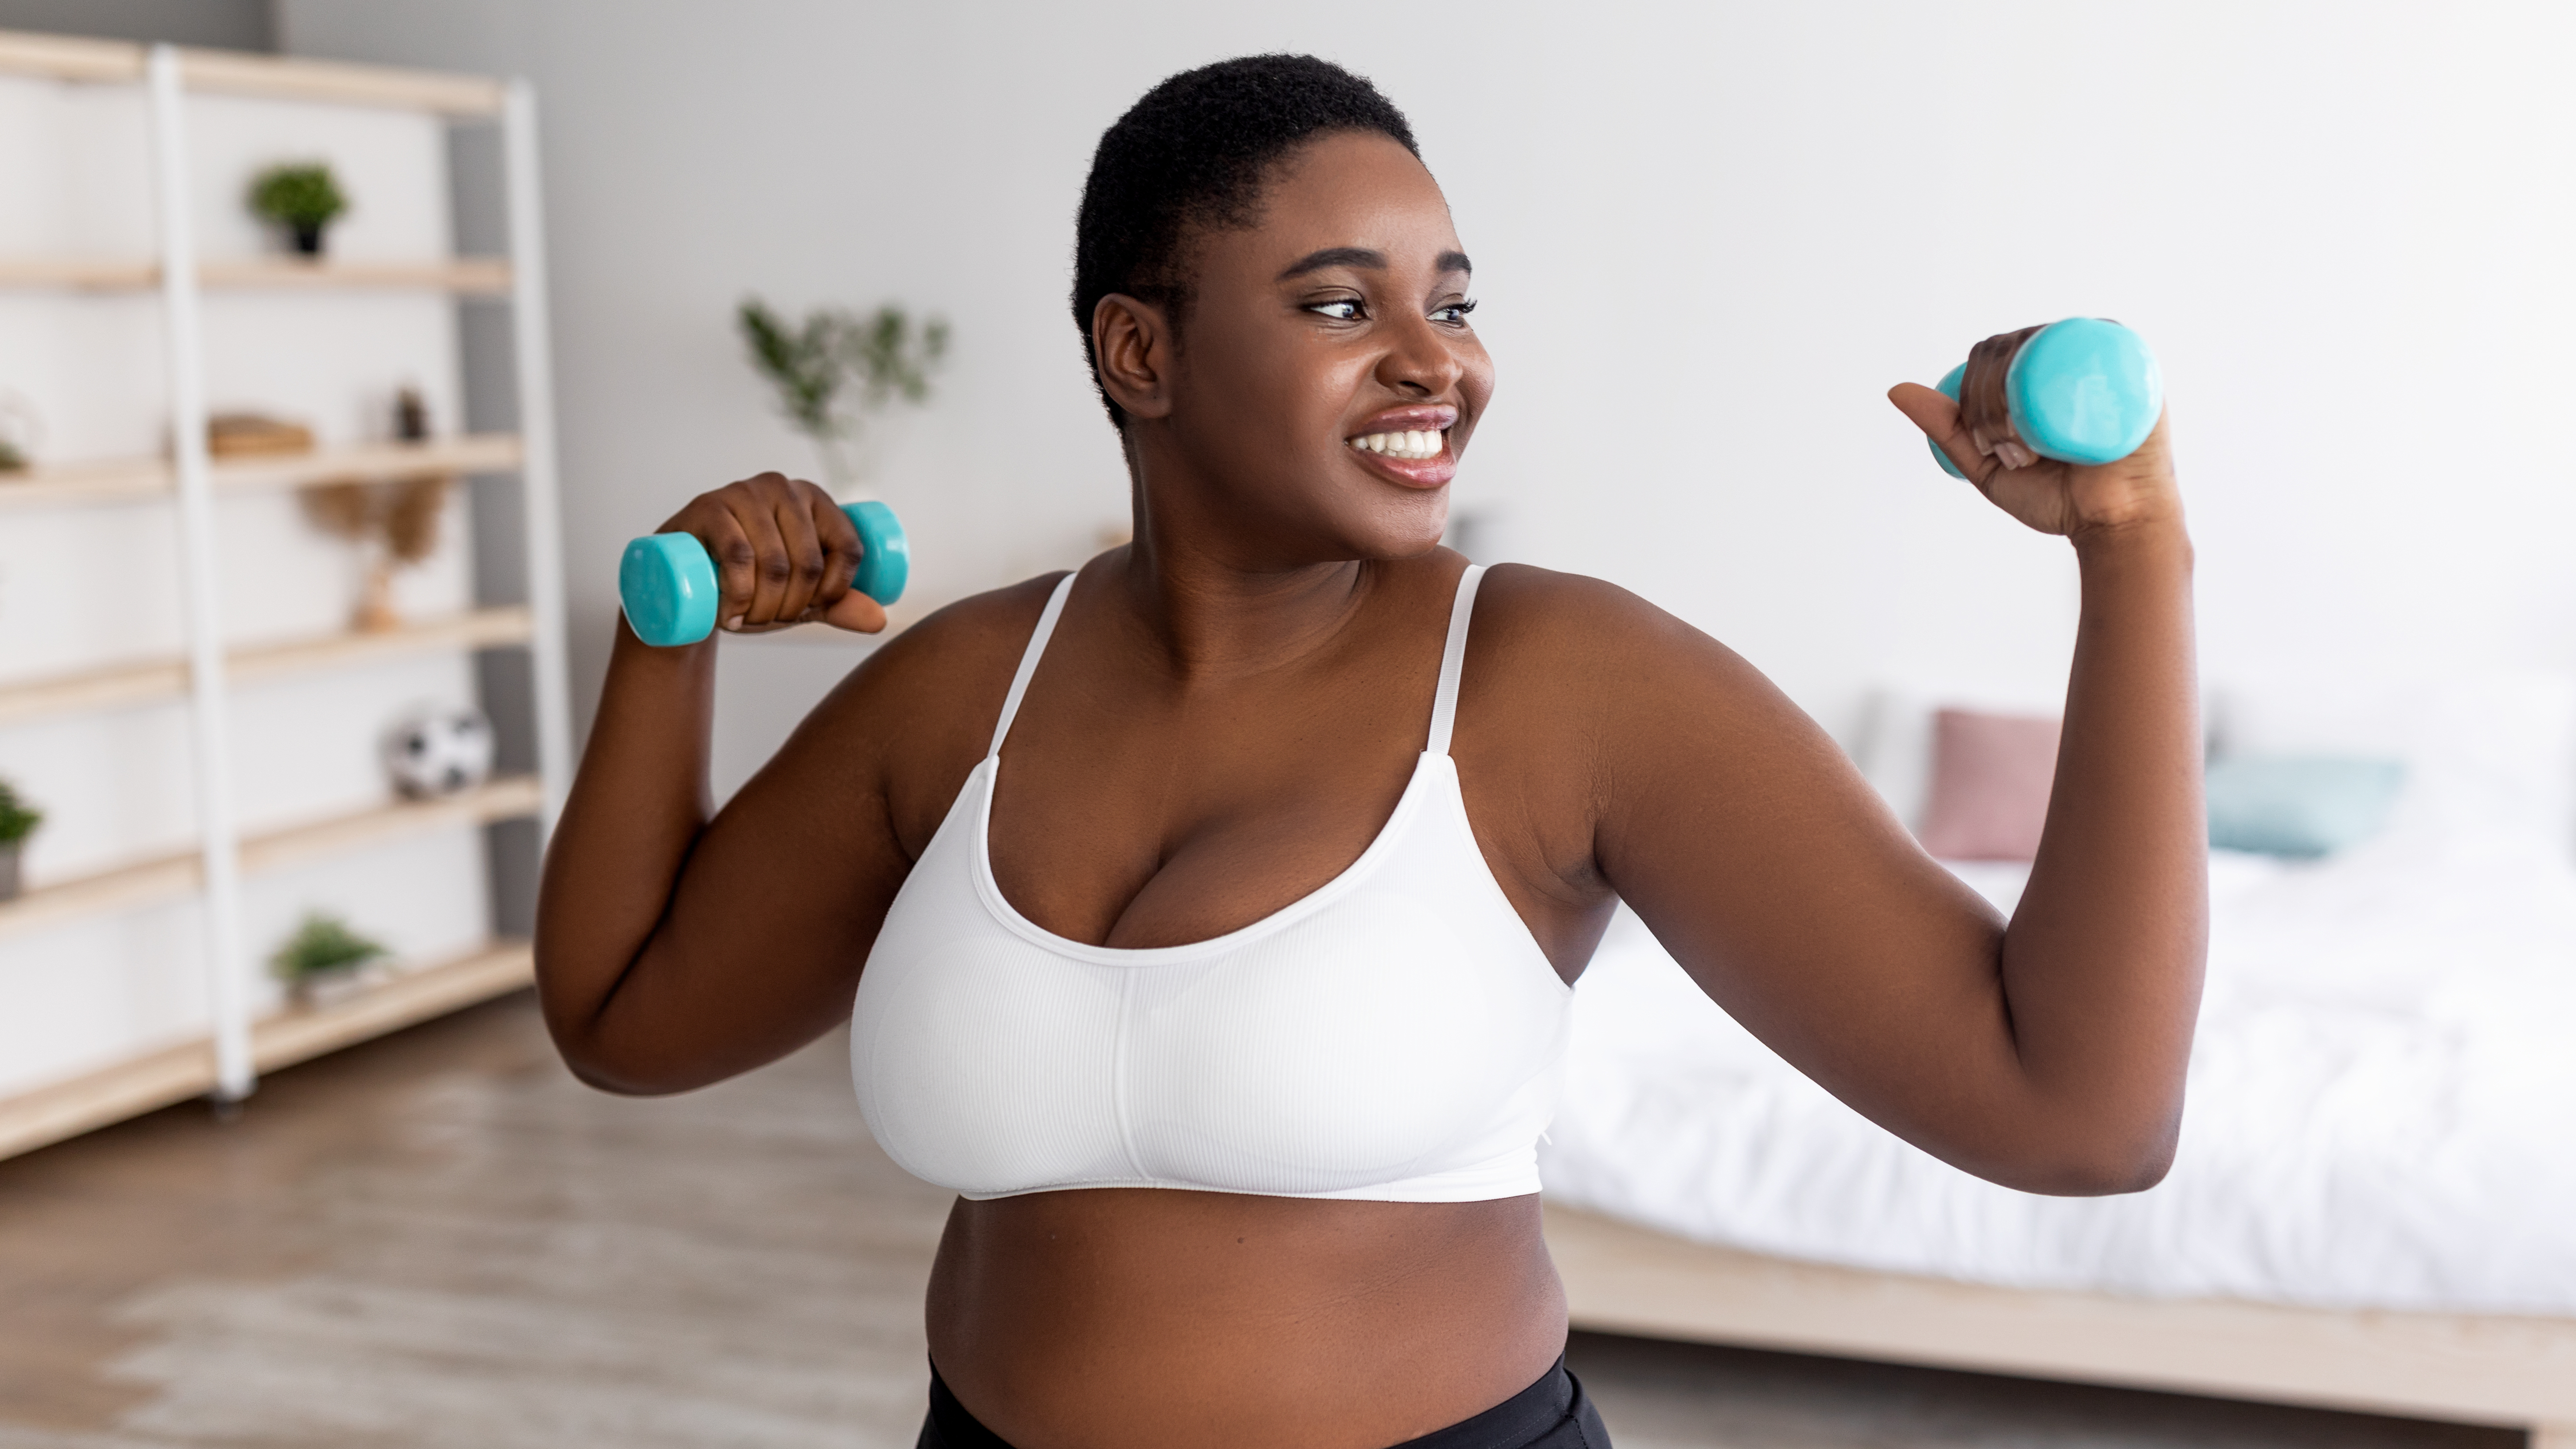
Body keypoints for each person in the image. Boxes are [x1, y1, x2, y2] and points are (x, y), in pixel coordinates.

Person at [534, 54, 2204, 1449]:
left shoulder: (1564, 680)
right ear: (1140, 353)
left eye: (1453, 302)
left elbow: (2077, 1114)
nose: (1439, 362)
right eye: (1345, 302)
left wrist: (2131, 554)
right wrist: (664, 637)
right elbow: (626, 1020)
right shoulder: (969, 684)